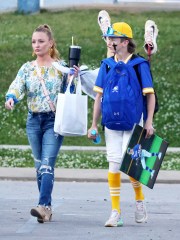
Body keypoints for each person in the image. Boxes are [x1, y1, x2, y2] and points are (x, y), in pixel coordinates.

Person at [5, 24, 79, 223]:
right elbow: (17, 85)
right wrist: (12, 97)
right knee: (39, 167)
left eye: (41, 41)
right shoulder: (28, 68)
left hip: (53, 122)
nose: (36, 45)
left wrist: (74, 78)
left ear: (51, 43)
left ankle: (43, 206)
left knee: (47, 165)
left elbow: (71, 94)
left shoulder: (61, 67)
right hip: (33, 121)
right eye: (34, 41)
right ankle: (46, 207)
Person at [88, 22, 156, 227]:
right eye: (108, 38)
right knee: (114, 163)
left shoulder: (139, 65)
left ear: (125, 42)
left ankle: (139, 200)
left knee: (132, 166)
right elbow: (98, 96)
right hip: (111, 123)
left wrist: (149, 122)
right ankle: (115, 211)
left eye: (113, 39)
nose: (109, 42)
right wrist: (93, 124)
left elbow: (150, 96)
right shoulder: (106, 64)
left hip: (135, 122)